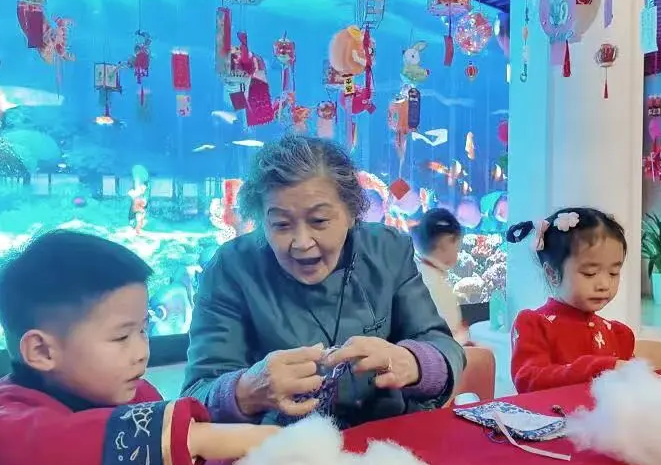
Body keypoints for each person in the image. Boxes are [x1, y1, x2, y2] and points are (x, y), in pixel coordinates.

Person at [0, 231, 277, 465]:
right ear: (42, 350)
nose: (141, 352)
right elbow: (47, 449)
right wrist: (201, 437)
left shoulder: (137, 394)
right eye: (121, 337)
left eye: (143, 330)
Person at [180, 136, 465, 428]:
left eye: (319, 221)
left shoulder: (387, 250)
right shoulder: (231, 268)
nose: (302, 243)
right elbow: (196, 396)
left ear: (352, 213)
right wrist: (246, 391)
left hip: (389, 440)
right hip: (280, 448)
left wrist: (412, 361)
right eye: (281, 225)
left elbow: (445, 347)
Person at [505, 208, 635, 392]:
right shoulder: (533, 325)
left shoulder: (618, 334)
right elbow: (529, 381)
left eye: (613, 273)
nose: (605, 284)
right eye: (590, 273)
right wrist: (600, 368)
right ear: (552, 274)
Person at [411, 208, 469, 345]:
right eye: (457, 245)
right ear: (446, 242)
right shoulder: (435, 286)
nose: (458, 252)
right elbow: (448, 342)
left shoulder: (418, 274)